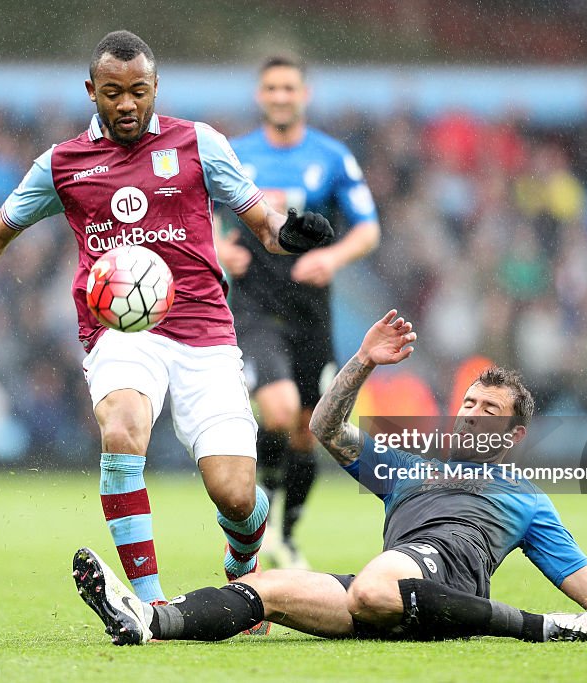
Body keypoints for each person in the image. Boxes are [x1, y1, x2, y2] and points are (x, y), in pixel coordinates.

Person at [0, 31, 335, 614]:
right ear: (92, 90)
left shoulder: (200, 145)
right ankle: (148, 605)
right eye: (113, 92)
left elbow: (263, 220)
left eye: (138, 92)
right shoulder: (63, 163)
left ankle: (242, 566)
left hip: (204, 330)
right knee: (122, 428)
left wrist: (287, 233)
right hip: (119, 332)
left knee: (236, 493)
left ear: (155, 88)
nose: (126, 104)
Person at [72, 310, 587, 645]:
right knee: (259, 588)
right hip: (390, 584)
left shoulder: (526, 500)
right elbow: (324, 428)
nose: (470, 415)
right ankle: (147, 620)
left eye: (488, 411)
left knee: (377, 582)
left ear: (513, 434)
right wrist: (366, 361)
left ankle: (551, 628)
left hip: (441, 583)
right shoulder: (409, 464)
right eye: (467, 402)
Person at [217, 55, 381, 569]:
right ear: (259, 95)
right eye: (272, 87)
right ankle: (258, 526)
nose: (280, 95)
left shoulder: (331, 157)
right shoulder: (232, 154)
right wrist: (219, 248)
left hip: (311, 311)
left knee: (309, 428)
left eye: (289, 87)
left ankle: (285, 536)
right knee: (281, 408)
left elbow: (368, 228)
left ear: (304, 94)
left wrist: (331, 256)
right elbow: (191, 215)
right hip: (254, 304)